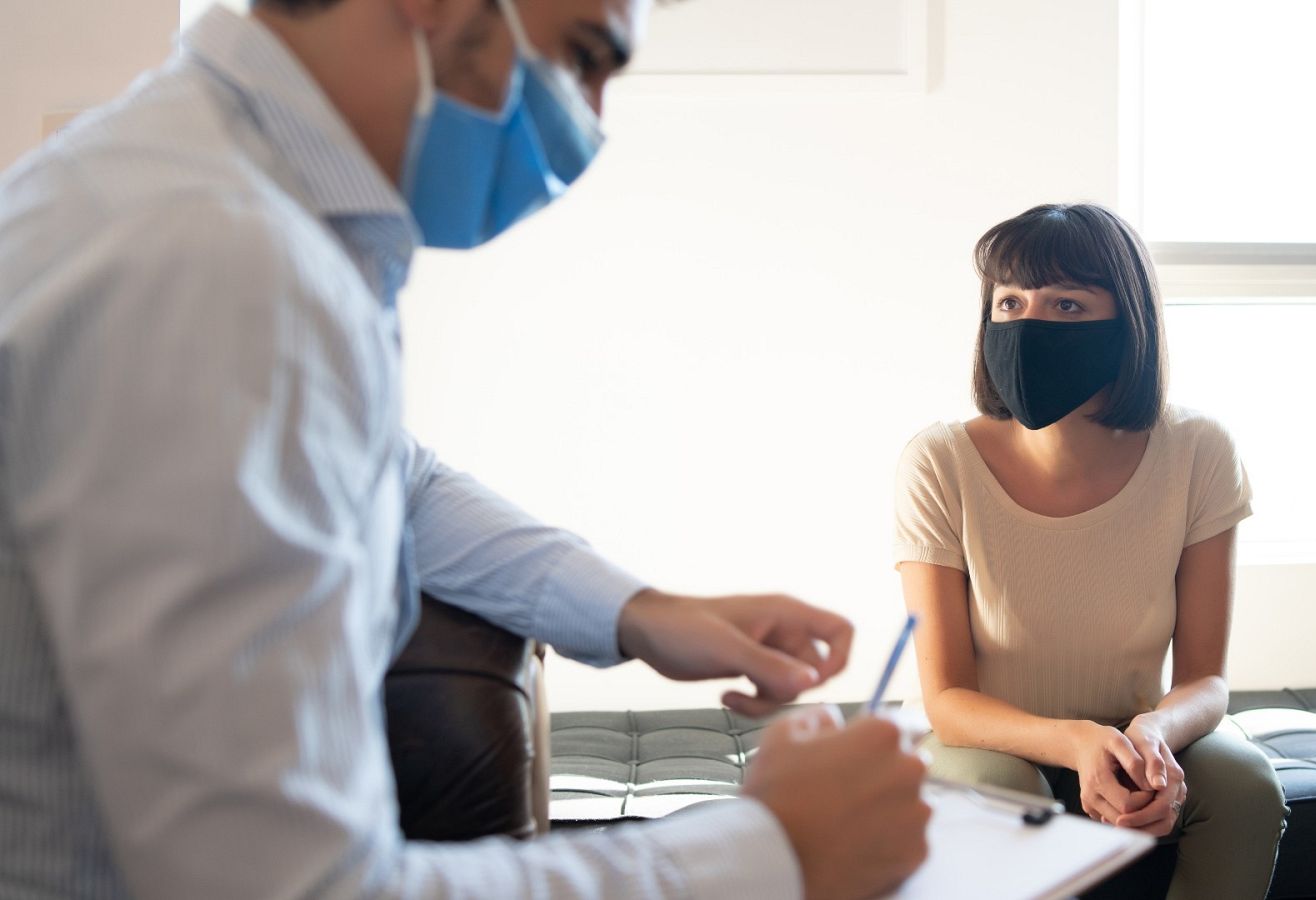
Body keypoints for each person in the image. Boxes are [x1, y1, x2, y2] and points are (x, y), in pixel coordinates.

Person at [0, 0, 930, 897]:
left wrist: (641, 613)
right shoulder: (223, 265)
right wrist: (770, 857)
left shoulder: (182, 185)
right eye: (582, 58)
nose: (592, 123)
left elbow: (395, 480)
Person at [893, 203, 1288, 899]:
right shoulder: (940, 461)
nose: (1027, 324)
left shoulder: (1198, 451)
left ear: (1126, 323)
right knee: (1006, 798)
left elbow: (1206, 680)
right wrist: (1075, 743)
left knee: (1246, 786)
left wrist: (1152, 739)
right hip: (983, 742)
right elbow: (947, 699)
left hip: (1134, 730)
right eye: (1009, 302)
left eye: (1068, 304)